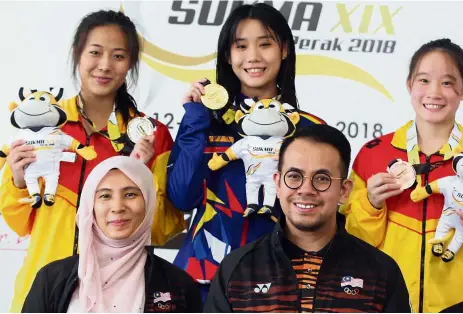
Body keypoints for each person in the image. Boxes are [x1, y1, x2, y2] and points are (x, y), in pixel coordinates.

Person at [0, 10, 184, 312]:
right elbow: (19, 224)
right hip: (42, 291)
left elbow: (163, 229)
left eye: (118, 56)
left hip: (120, 298)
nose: (104, 66)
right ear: (77, 55)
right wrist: (19, 182)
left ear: (132, 64)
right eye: (95, 52)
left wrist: (143, 174)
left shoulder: (152, 134)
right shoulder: (44, 123)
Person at [166, 3, 326, 302]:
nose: (253, 56)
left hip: (280, 284)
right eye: (241, 46)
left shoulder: (309, 129)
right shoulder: (204, 119)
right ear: (228, 55)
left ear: (285, 50)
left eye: (265, 44)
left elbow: (322, 214)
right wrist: (194, 118)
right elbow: (182, 198)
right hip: (202, 281)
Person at [204, 124, 411, 313]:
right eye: (294, 176)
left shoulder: (381, 273)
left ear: (344, 191)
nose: (305, 190)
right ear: (277, 183)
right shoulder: (237, 269)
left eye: (322, 179)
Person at [340, 38, 463, 313]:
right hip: (386, 299)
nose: (434, 92)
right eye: (424, 80)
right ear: (409, 84)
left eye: (447, 82)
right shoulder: (373, 154)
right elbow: (354, 242)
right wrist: (371, 204)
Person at [22, 156, 202, 313]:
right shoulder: (51, 278)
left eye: (130, 194)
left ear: (149, 202)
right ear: (90, 205)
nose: (117, 207)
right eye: (105, 196)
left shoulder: (178, 284)